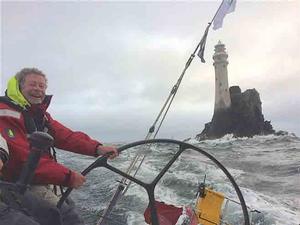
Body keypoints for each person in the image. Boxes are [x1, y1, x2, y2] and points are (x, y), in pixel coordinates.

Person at [0, 68, 119, 225]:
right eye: (32, 84)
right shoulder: (6, 113)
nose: (38, 89)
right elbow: (21, 158)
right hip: (14, 184)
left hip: (35, 179)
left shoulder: (39, 116)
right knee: (68, 218)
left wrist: (97, 148)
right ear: (20, 87)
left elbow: (66, 136)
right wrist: (67, 176)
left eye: (42, 86)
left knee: (68, 210)